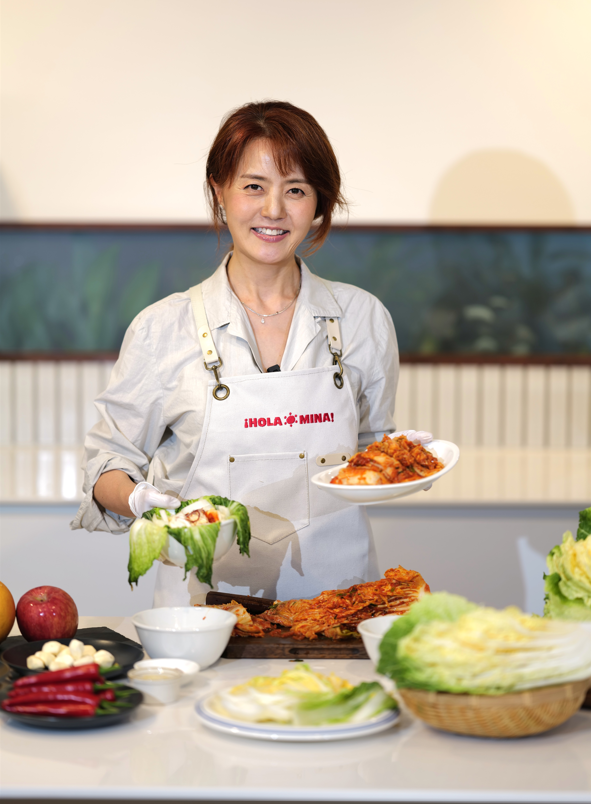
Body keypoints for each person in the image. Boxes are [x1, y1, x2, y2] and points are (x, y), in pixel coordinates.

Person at [72, 100, 400, 607]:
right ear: (219, 192)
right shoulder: (162, 329)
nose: (274, 209)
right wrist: (140, 499)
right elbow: (105, 464)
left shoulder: (362, 318)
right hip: (203, 616)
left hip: (339, 607)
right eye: (253, 186)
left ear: (319, 204)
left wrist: (405, 457)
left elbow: (372, 452)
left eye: (296, 190)